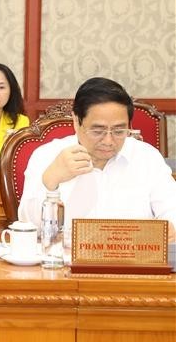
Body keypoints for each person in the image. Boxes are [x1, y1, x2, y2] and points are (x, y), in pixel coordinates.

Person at [18, 77, 176, 239]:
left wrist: (170, 227)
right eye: (97, 130)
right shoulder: (47, 155)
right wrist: (51, 181)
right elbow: (28, 226)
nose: (108, 141)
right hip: (66, 260)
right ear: (76, 121)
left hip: (133, 261)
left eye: (119, 131)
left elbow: (172, 209)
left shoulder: (147, 157)